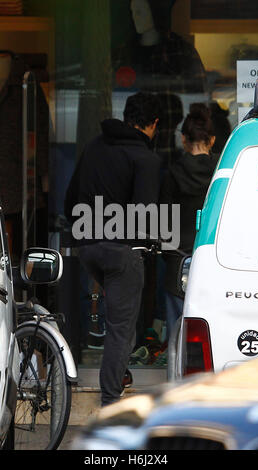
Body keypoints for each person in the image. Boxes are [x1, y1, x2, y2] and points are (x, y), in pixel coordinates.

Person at [64, 92, 161, 407]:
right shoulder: (145, 159)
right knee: (121, 327)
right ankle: (110, 400)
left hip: (89, 248)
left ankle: (118, 373)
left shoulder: (94, 146)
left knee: (122, 318)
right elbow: (146, 216)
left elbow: (70, 200)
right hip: (121, 252)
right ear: (153, 124)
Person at [160, 103, 219, 338]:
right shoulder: (221, 173)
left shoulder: (173, 173)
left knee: (177, 332)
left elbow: (163, 219)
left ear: (183, 139)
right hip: (214, 257)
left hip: (177, 260)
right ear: (212, 140)